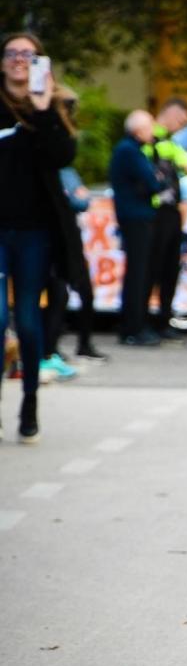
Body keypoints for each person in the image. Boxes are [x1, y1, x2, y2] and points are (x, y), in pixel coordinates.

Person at [0, 31, 77, 442]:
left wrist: (44, 108)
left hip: (34, 232)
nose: (18, 60)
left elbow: (62, 156)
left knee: (29, 321)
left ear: (40, 63)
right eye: (11, 53)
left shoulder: (54, 106)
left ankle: (29, 403)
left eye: (28, 55)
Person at [40, 166, 107, 379]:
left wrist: (75, 198)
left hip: (67, 238)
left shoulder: (66, 171)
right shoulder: (48, 170)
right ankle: (48, 352)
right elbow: (77, 200)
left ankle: (71, 347)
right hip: (51, 239)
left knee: (79, 292)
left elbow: (81, 201)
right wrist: (74, 197)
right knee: (58, 295)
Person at [109, 110, 166, 346]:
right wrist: (157, 178)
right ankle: (133, 327)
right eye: (150, 127)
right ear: (139, 130)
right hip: (136, 218)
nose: (153, 132)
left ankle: (135, 324)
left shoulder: (131, 150)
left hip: (136, 216)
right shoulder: (129, 151)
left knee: (140, 273)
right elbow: (153, 181)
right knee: (137, 274)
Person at [144, 98, 187, 341]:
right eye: (181, 121)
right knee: (153, 269)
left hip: (171, 211)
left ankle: (163, 320)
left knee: (169, 269)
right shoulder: (151, 139)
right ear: (171, 113)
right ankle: (147, 321)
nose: (181, 127)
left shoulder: (169, 142)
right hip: (157, 212)